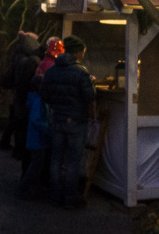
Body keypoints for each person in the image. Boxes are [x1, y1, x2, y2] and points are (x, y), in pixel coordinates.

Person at [40, 34, 95, 209]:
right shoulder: (81, 72)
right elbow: (90, 96)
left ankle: (55, 195)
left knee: (56, 158)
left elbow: (43, 94)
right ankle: (70, 196)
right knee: (73, 160)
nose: (83, 55)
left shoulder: (51, 71)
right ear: (77, 52)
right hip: (76, 121)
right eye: (83, 52)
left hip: (57, 119)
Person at [9, 31, 42, 162]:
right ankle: (21, 152)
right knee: (23, 125)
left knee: (18, 123)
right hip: (25, 96)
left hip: (19, 95)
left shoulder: (18, 57)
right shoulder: (32, 61)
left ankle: (18, 150)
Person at [16, 75, 50, 200]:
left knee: (36, 164)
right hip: (38, 138)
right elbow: (36, 119)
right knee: (36, 165)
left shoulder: (34, 99)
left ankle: (30, 188)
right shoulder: (38, 101)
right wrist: (47, 129)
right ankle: (24, 189)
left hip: (35, 137)